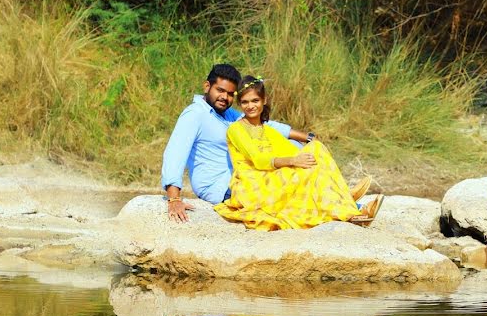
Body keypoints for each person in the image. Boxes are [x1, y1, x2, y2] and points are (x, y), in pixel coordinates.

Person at [160, 64, 369, 223]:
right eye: (220, 90)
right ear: (207, 86)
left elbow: (263, 124)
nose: (225, 97)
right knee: (289, 170)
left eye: (231, 94)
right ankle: (345, 203)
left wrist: (304, 136)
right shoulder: (194, 115)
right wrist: (173, 199)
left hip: (245, 177)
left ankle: (339, 195)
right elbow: (174, 154)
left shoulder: (225, 114)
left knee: (300, 151)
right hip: (221, 187)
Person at [214, 76, 384, 230]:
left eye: (255, 100)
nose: (250, 106)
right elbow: (258, 160)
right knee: (305, 164)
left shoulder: (268, 130)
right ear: (240, 104)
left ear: (264, 100)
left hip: (270, 177)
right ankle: (350, 208)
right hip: (252, 185)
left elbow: (296, 152)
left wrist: (308, 158)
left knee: (315, 148)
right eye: (245, 102)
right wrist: (293, 161)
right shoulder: (236, 129)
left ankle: (340, 196)